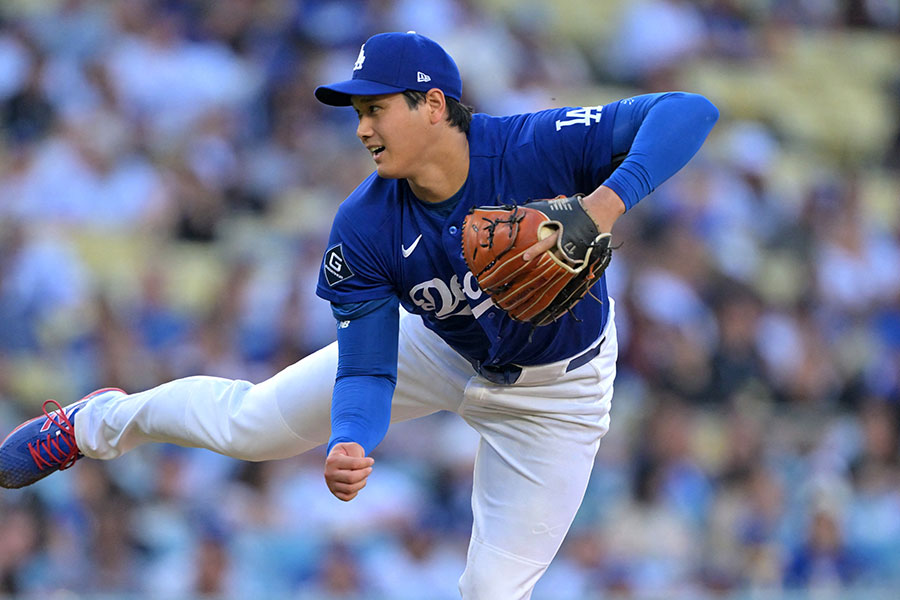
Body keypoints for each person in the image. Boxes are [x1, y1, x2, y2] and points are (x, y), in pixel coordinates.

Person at [0, 32, 718, 599]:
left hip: (555, 392)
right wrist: (351, 438)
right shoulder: (364, 225)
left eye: (377, 108)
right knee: (249, 426)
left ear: (433, 105)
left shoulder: (532, 144)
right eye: (357, 112)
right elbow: (371, 362)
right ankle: (87, 425)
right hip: (437, 349)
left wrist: (604, 203)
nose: (363, 127)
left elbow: (689, 111)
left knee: (494, 590)